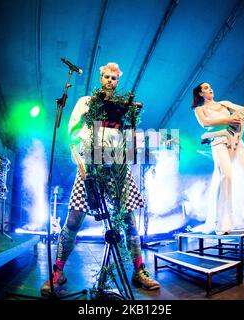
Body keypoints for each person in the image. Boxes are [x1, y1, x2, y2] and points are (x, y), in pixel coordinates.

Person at [41, 62, 160, 295]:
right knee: (74, 220)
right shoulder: (86, 102)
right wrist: (84, 168)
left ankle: (139, 270)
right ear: (100, 78)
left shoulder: (123, 106)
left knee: (129, 221)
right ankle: (58, 271)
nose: (109, 81)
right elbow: (72, 134)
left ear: (117, 82)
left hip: (116, 168)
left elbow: (128, 139)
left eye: (114, 78)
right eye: (106, 76)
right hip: (90, 167)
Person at [192, 82, 244, 235]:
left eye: (210, 86)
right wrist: (227, 120)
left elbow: (243, 111)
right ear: (200, 94)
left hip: (236, 140)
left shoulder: (225, 104)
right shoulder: (199, 109)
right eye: (205, 88)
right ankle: (222, 224)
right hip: (218, 142)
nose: (210, 88)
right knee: (227, 177)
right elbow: (205, 123)